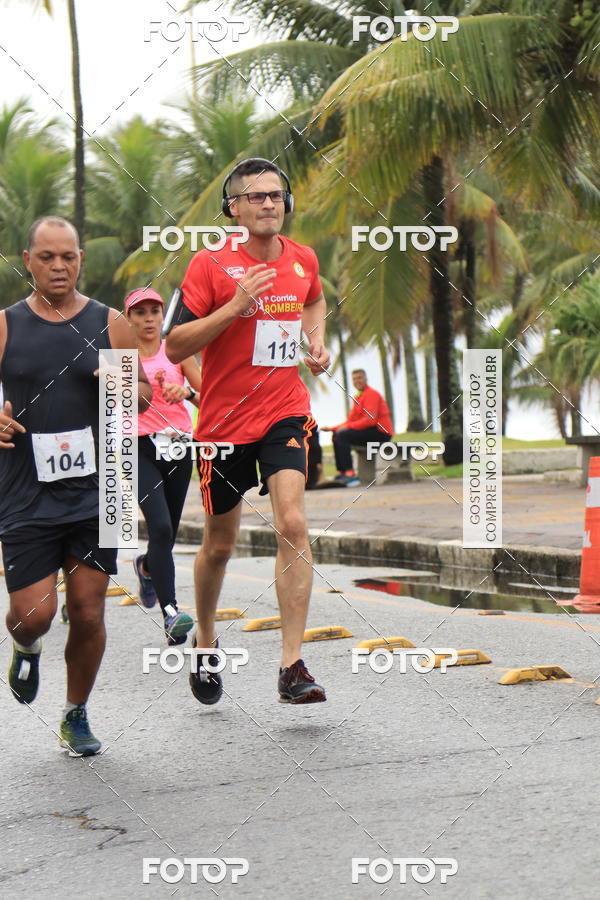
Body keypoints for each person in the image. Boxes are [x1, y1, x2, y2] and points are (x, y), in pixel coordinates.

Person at [166, 157, 330, 705]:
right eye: (255, 196)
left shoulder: (302, 260)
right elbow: (174, 345)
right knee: (219, 545)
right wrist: (235, 308)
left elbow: (314, 299)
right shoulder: (209, 266)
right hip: (223, 425)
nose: (268, 204)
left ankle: (292, 666)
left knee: (293, 521)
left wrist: (316, 340)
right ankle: (206, 641)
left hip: (284, 410)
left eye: (276, 195)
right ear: (233, 208)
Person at [0, 216, 152, 757]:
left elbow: (143, 394)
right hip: (23, 491)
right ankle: (28, 646)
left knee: (88, 610)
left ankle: (75, 714)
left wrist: (124, 387)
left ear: (80, 258)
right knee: (34, 613)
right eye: (47, 257)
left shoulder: (110, 323)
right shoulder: (6, 325)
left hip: (98, 490)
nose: (59, 266)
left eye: (68, 256)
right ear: (28, 259)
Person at [126, 286, 201, 644]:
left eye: (154, 311)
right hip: (137, 447)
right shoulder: (118, 357)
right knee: (158, 526)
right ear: (129, 320)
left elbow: (208, 397)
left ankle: (146, 567)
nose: (149, 318)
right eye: (140, 313)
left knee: (167, 533)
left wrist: (186, 393)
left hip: (178, 446)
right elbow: (103, 406)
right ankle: (171, 613)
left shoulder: (177, 350)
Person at [322, 369, 393, 485]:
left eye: (359, 378)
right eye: (354, 379)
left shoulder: (371, 394)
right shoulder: (358, 397)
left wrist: (346, 427)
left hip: (381, 433)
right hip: (369, 431)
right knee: (336, 435)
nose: (357, 381)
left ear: (366, 379)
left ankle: (350, 474)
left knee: (343, 435)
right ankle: (343, 471)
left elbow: (370, 420)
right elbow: (350, 421)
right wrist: (332, 428)